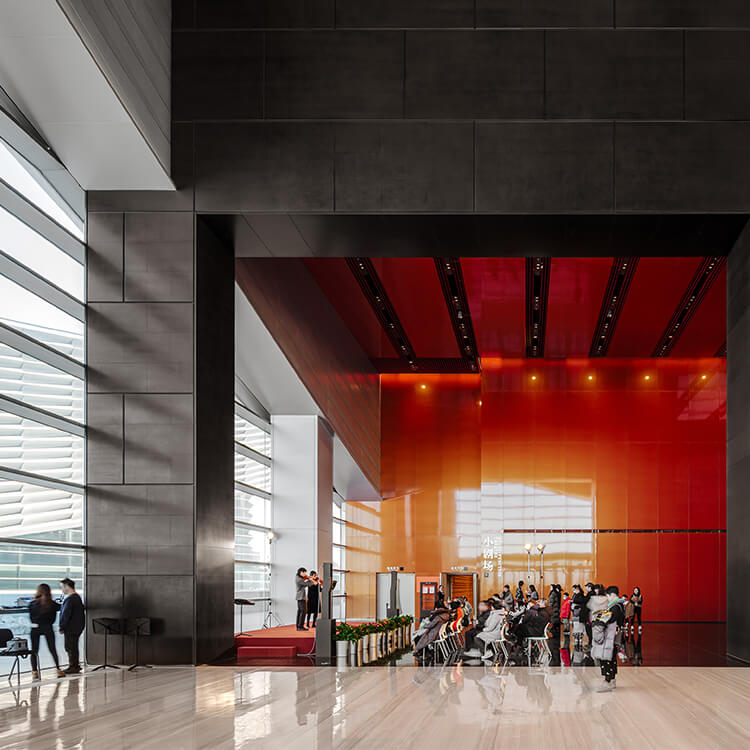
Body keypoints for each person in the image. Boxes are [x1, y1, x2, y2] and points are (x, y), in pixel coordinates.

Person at [592, 586, 625, 692]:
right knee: (611, 659)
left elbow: (609, 618)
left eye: (607, 596)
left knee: (606, 659)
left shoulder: (616, 606)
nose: (607, 598)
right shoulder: (618, 605)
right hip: (614, 637)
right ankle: (612, 680)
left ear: (612, 595)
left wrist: (599, 619)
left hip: (611, 638)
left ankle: (607, 681)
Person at [29, 583, 64, 679]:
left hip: (35, 628)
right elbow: (62, 607)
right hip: (48, 627)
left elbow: (31, 618)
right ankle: (58, 669)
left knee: (34, 651)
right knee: (52, 649)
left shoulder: (32, 604)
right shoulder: (52, 604)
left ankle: (34, 671)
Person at [59, 578, 85, 674]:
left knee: (70, 647)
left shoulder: (70, 599)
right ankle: (75, 665)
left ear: (67, 586)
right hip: (77, 627)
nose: (62, 589)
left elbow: (65, 614)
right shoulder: (77, 598)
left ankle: (73, 666)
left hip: (70, 628)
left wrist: (62, 627)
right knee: (74, 646)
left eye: (62, 587)